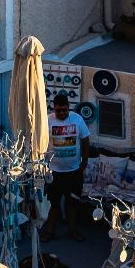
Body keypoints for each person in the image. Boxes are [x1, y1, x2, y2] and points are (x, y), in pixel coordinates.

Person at [41, 93, 90, 241]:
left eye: (64, 110)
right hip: (54, 172)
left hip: (74, 172)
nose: (61, 113)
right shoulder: (47, 121)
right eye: (58, 110)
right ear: (54, 109)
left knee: (72, 203)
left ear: (69, 107)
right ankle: (50, 231)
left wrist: (84, 163)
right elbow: (41, 142)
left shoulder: (77, 119)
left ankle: (72, 231)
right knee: (53, 204)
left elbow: (85, 140)